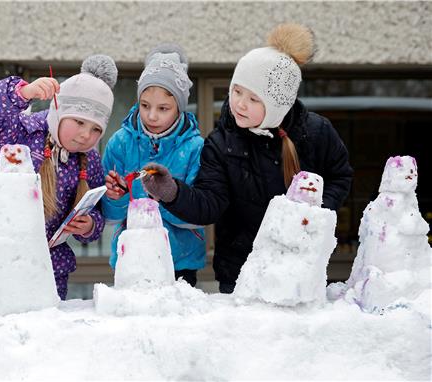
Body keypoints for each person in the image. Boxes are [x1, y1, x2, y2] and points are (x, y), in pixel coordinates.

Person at [141, 24, 353, 293]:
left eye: (253, 98)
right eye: (237, 91)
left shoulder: (315, 133)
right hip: (240, 272)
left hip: (298, 266)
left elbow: (340, 175)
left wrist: (316, 210)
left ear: (277, 106)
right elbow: (210, 203)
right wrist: (172, 193)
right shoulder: (221, 143)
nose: (240, 103)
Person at [0, 55, 118, 300]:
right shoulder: (22, 132)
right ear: (59, 110)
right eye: (79, 121)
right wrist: (21, 93)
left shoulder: (89, 160)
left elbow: (94, 211)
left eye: (96, 129)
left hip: (46, 269)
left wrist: (89, 225)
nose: (86, 135)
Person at [102, 44, 206, 287]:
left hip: (180, 260)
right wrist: (117, 197)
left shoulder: (195, 148)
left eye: (163, 109)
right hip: (131, 257)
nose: (151, 116)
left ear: (179, 107)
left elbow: (197, 215)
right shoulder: (120, 143)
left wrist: (162, 197)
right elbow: (108, 214)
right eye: (145, 105)